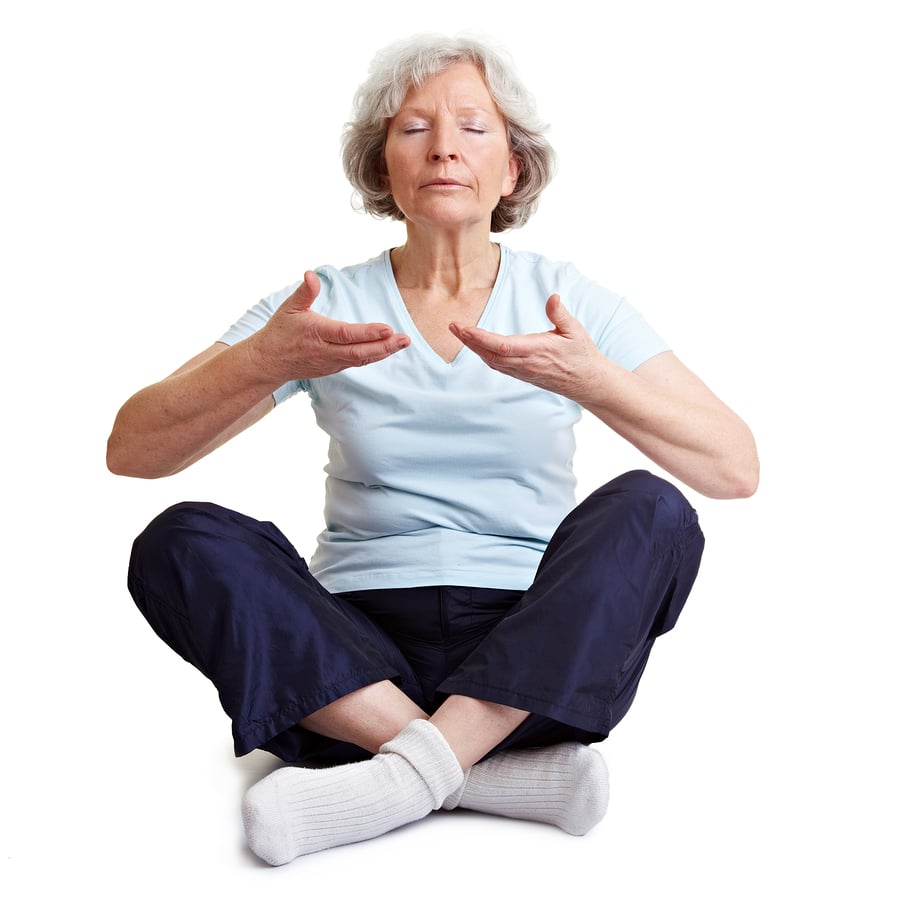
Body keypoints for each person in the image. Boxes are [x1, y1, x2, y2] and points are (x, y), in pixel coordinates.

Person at [107, 33, 759, 866]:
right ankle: (475, 775)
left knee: (654, 511)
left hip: (529, 659)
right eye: (414, 128)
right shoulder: (321, 303)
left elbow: (734, 466)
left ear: (513, 169)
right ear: (384, 167)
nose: (444, 146)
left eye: (473, 128)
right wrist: (266, 360)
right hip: (346, 663)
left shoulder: (570, 300)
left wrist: (596, 380)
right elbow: (133, 449)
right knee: (182, 537)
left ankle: (394, 777)